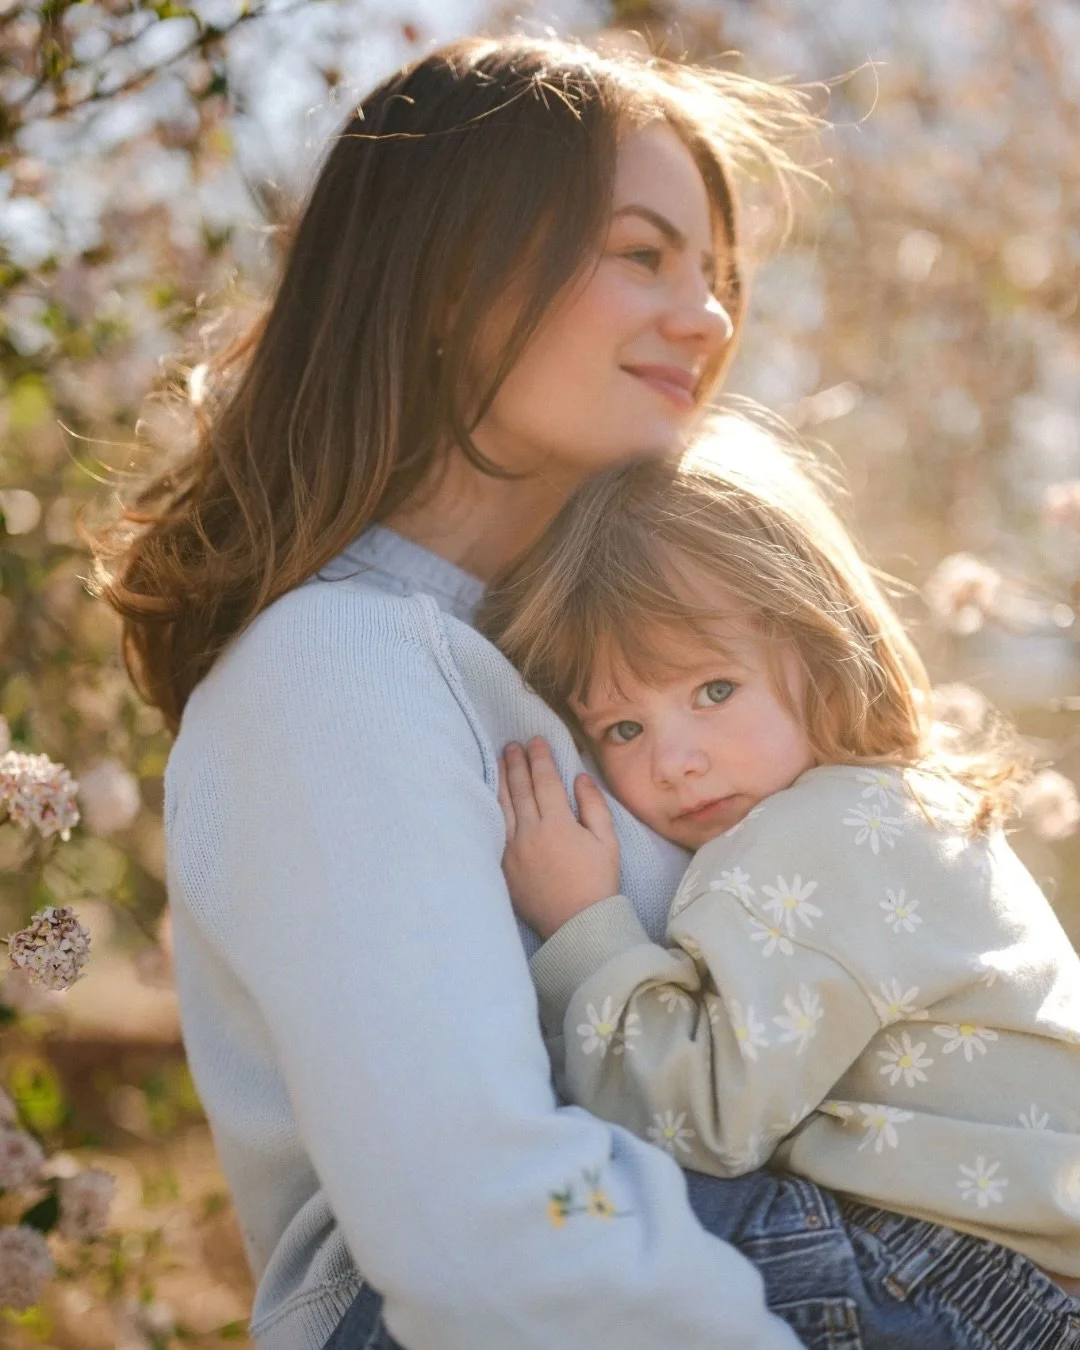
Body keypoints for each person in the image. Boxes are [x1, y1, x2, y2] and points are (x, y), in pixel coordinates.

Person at [90, 34, 827, 1350]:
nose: (710, 318)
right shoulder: (336, 670)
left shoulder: (595, 666)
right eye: (643, 254)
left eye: (717, 277)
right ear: (450, 274)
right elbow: (489, 1231)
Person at [482, 414, 1080, 1349]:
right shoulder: (892, 812)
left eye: (713, 691)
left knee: (546, 1227)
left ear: (825, 649)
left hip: (970, 1282)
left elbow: (701, 1119)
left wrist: (581, 924)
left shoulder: (820, 837)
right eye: (623, 729)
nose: (675, 760)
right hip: (1009, 1281)